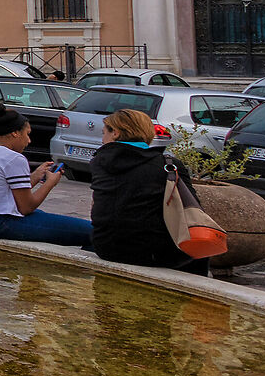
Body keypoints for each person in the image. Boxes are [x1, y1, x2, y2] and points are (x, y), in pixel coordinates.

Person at [89, 106, 212, 274]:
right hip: (155, 253)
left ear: (115, 133)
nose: (103, 139)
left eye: (104, 133)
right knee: (199, 252)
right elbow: (192, 207)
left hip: (106, 247)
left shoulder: (98, 163)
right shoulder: (169, 165)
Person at [0, 104, 91, 246]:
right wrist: (50, 183)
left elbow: (3, 194)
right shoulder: (13, 158)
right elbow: (26, 207)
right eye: (27, 134)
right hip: (1, 223)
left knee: (48, 218)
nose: (29, 140)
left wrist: (35, 176)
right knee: (92, 231)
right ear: (15, 133)